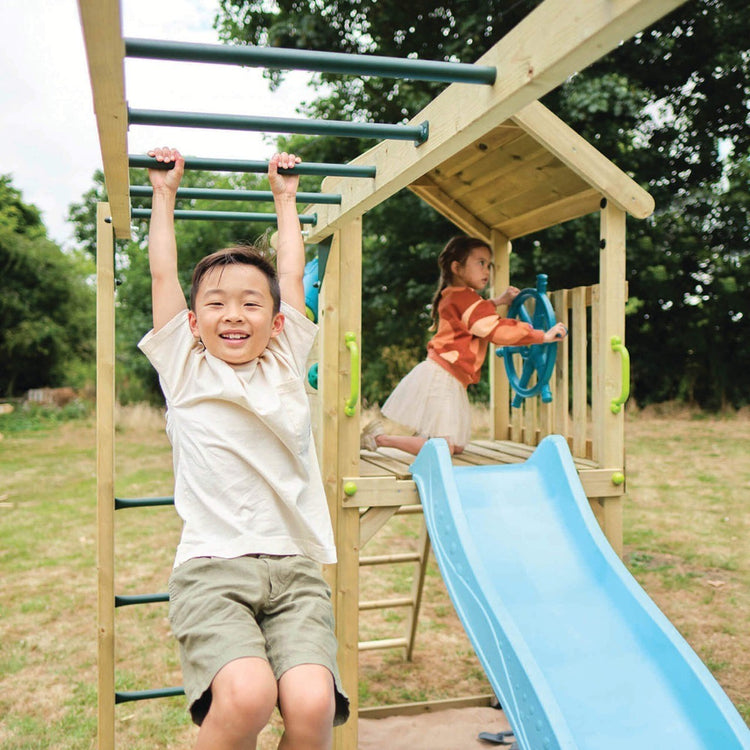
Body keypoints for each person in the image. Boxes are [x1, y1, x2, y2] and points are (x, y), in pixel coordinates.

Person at [138, 146, 349, 750]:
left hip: (295, 568)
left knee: (311, 705)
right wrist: (164, 194)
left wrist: (286, 200)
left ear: (276, 322)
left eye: (250, 304)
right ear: (194, 319)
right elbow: (161, 276)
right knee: (248, 695)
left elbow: (289, 276)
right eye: (216, 303)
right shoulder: (184, 367)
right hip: (214, 569)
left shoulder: (285, 360)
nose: (234, 315)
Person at [361, 235, 567, 456]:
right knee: (445, 447)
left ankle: (417, 440)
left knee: (455, 446)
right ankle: (378, 439)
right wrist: (542, 336)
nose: (487, 271)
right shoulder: (466, 300)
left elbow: (473, 313)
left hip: (447, 375)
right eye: (480, 263)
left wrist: (496, 302)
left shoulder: (453, 296)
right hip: (443, 376)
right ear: (457, 268)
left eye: (489, 265)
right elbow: (496, 330)